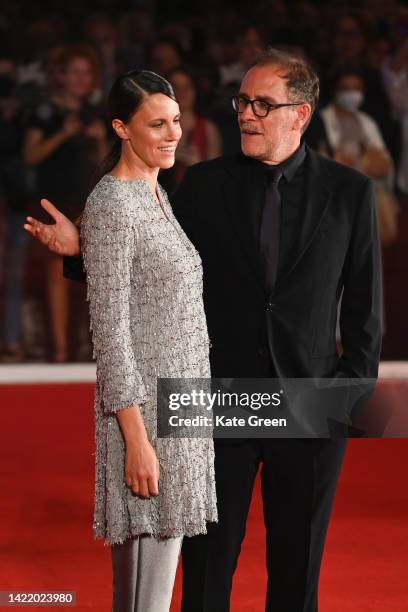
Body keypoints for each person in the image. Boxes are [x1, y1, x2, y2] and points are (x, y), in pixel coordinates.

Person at [24, 48, 382, 611]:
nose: (246, 114)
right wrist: (81, 251)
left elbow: (365, 306)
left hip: (309, 402)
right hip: (217, 402)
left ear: (302, 114)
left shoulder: (350, 191)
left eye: (263, 105)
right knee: (206, 575)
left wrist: (348, 394)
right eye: (243, 101)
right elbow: (153, 266)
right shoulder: (201, 183)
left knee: (297, 573)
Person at [25, 69, 218, 612]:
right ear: (121, 128)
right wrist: (136, 438)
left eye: (176, 121)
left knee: (152, 592)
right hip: (147, 420)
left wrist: (79, 245)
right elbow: (110, 333)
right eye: (156, 124)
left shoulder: (156, 192)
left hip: (180, 408)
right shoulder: (113, 202)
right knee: (144, 600)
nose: (172, 133)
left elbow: (143, 284)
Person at [22, 43, 109, 362]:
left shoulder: (97, 114)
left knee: (89, 284)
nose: (80, 79)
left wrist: (99, 137)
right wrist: (63, 133)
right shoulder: (45, 111)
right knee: (55, 281)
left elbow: (105, 168)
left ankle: (89, 356)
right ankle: (59, 355)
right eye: (74, 72)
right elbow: (30, 156)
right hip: (53, 207)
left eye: (86, 73)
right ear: (61, 75)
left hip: (87, 209)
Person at [320, 69, 398, 246]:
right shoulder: (321, 121)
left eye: (356, 88)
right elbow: (326, 166)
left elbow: (384, 166)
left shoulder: (368, 122)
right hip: (333, 208)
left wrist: (349, 162)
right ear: (334, 91)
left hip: (367, 204)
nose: (351, 94)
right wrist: (364, 161)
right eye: (345, 88)